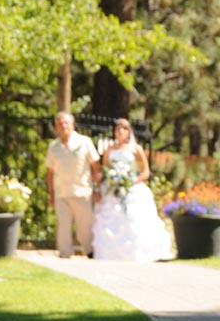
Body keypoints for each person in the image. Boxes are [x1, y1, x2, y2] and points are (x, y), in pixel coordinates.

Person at [92, 118, 173, 262]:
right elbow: (104, 170)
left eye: (124, 129)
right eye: (118, 129)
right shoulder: (109, 150)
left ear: (128, 132)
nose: (120, 132)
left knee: (134, 219)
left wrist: (131, 182)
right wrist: (109, 182)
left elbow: (146, 171)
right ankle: (111, 254)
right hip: (113, 188)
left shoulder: (136, 149)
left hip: (132, 188)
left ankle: (137, 253)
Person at [45, 112, 101, 258]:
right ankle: (64, 255)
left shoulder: (85, 142)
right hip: (61, 194)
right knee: (63, 228)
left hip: (82, 193)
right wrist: (51, 195)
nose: (63, 126)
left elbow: (96, 167)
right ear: (56, 127)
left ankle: (90, 253)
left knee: (85, 229)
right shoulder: (53, 147)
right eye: (60, 124)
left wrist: (98, 189)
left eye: (66, 123)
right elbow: (50, 173)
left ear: (72, 125)